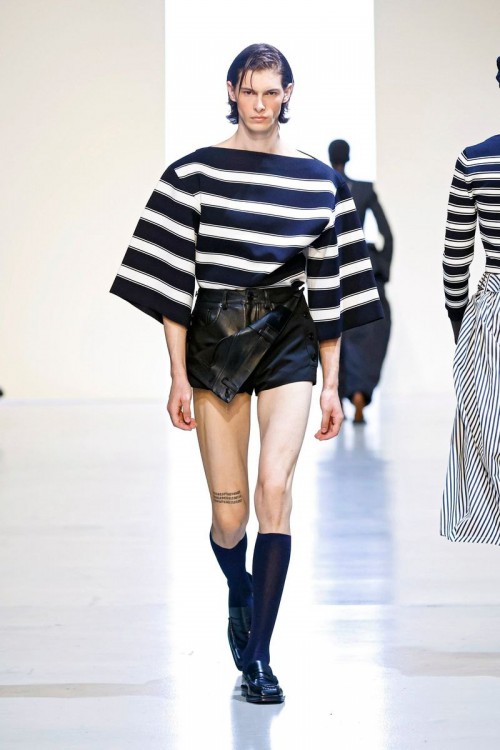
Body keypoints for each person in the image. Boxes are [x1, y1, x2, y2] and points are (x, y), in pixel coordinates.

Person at [110, 43, 383, 702]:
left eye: (272, 91)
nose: (260, 104)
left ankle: (258, 658)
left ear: (288, 94)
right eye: (250, 90)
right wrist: (177, 375)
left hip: (288, 336)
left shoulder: (320, 182)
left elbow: (330, 289)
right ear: (232, 90)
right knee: (230, 515)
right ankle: (240, 588)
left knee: (274, 490)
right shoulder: (191, 174)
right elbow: (172, 282)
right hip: (215, 340)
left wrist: (332, 385)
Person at [441, 56, 500, 546]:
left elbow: (455, 256)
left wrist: (460, 321)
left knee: (492, 440)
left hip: (492, 314)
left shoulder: (475, 160)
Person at [329, 139, 393, 423]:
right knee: (369, 333)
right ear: (349, 157)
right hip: (364, 268)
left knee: (335, 334)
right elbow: (387, 234)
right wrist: (382, 267)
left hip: (333, 270)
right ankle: (358, 394)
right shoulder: (365, 190)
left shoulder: (320, 188)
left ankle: (339, 396)